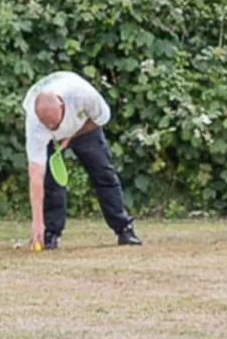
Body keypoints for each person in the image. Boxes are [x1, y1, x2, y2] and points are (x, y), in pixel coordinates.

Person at [22, 71, 142, 250]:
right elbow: (35, 176)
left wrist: (70, 136)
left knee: (103, 173)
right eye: (47, 125)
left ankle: (124, 229)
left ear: (62, 106)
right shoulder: (35, 125)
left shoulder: (82, 95)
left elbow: (102, 118)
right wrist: (37, 222)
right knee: (50, 182)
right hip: (51, 140)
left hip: (84, 127)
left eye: (54, 124)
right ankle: (49, 233)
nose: (51, 128)